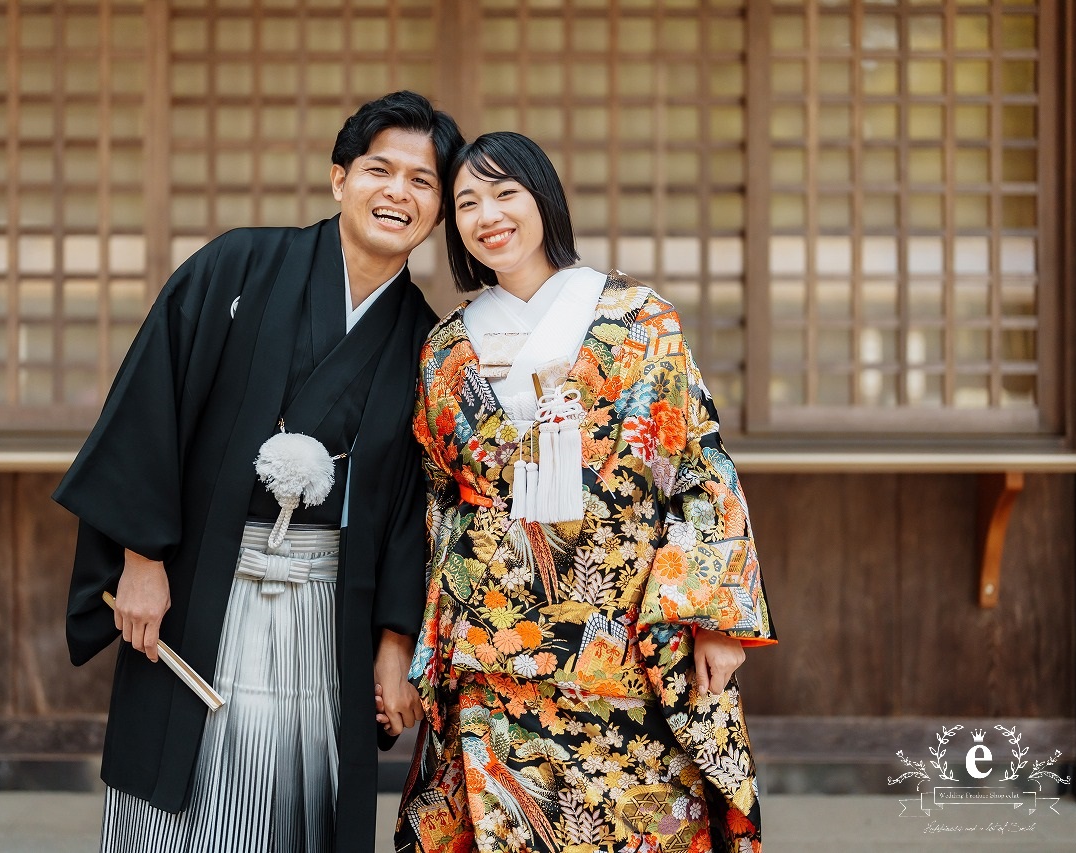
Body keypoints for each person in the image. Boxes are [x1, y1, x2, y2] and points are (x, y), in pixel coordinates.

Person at [53, 91, 464, 853]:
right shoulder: (237, 265)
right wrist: (140, 558)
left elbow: (413, 508)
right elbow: (150, 405)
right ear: (340, 178)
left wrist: (396, 642)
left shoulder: (423, 340)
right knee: (178, 798)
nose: (398, 192)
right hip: (201, 582)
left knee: (296, 793)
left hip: (326, 605)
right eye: (380, 170)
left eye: (422, 181)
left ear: (438, 210)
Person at [392, 132, 777, 853]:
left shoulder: (639, 319)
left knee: (646, 822)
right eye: (468, 202)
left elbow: (699, 464)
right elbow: (436, 505)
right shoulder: (446, 349)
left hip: (628, 634)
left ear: (544, 198)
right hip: (495, 644)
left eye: (505, 192)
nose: (488, 215)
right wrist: (422, 648)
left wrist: (716, 618)